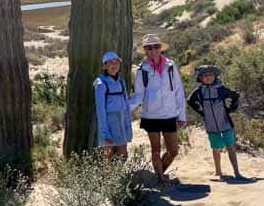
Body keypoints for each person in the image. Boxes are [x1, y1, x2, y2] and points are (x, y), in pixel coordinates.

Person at [129, 34, 186, 181]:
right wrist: (125, 109)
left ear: (160, 48)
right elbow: (138, 95)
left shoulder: (171, 66)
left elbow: (178, 91)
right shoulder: (141, 70)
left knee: (173, 150)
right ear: (145, 50)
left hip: (169, 114)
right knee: (155, 150)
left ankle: (159, 173)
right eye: (149, 47)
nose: (153, 50)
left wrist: (181, 115)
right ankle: (160, 179)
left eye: (156, 46)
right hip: (150, 115)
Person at [188, 65, 246, 180]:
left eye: (211, 75)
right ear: (200, 78)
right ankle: (218, 172)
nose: (209, 77)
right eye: (205, 75)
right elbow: (190, 101)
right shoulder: (199, 91)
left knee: (230, 146)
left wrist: (231, 108)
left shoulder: (221, 88)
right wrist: (201, 112)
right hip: (211, 125)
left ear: (214, 76)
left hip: (225, 123)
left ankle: (237, 172)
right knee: (216, 148)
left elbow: (235, 95)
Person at [94, 51, 132, 161]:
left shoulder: (121, 81)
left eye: (117, 62)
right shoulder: (101, 83)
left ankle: (118, 176)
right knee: (107, 154)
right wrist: (105, 133)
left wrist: (127, 124)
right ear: (105, 65)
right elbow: (100, 110)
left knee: (123, 152)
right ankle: (107, 177)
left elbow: (126, 103)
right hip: (108, 121)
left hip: (121, 120)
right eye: (111, 63)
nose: (114, 65)